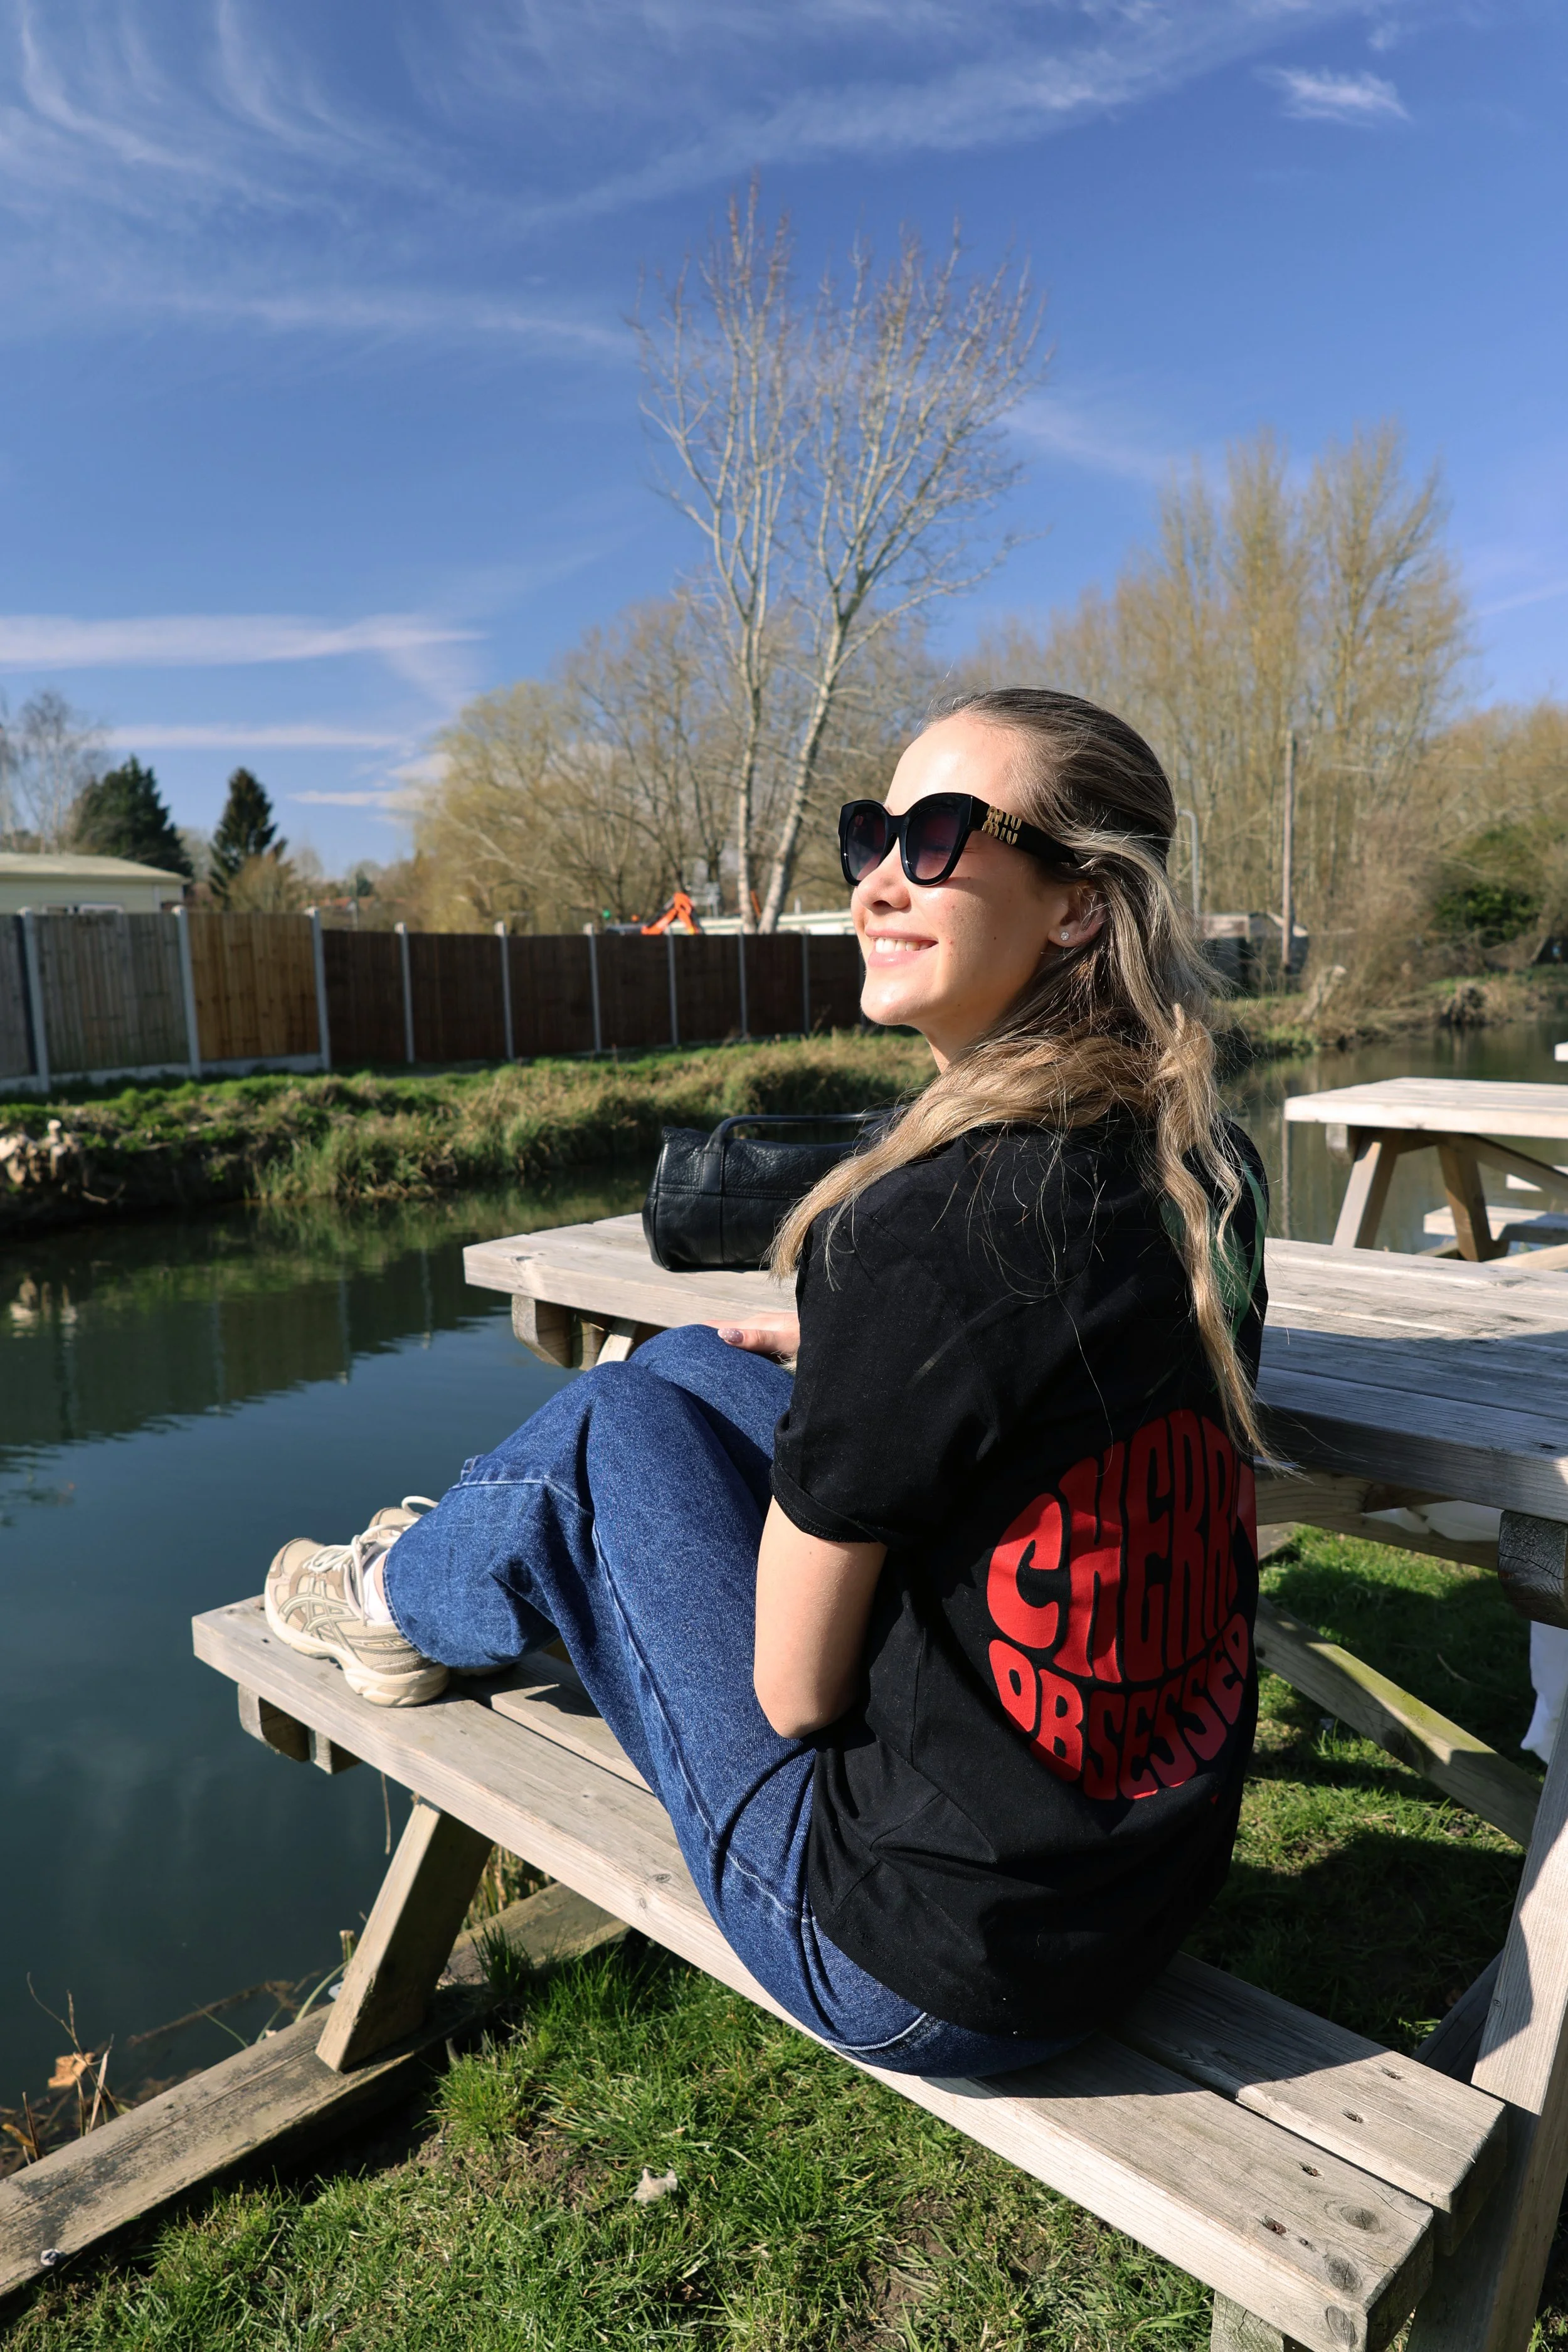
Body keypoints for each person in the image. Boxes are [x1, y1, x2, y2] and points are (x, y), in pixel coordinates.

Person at [263, 687, 1268, 2078]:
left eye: (935, 836)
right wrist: (868, 1359)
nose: (875, 880)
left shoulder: (931, 1227)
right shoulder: (1194, 1161)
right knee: (680, 1363)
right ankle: (437, 1573)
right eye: (870, 835)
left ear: (1078, 905)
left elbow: (793, 1696)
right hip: (1137, 1882)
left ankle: (390, 1598)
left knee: (610, 1424)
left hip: (918, 1959)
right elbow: (1067, 1379)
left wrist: (878, 1340)